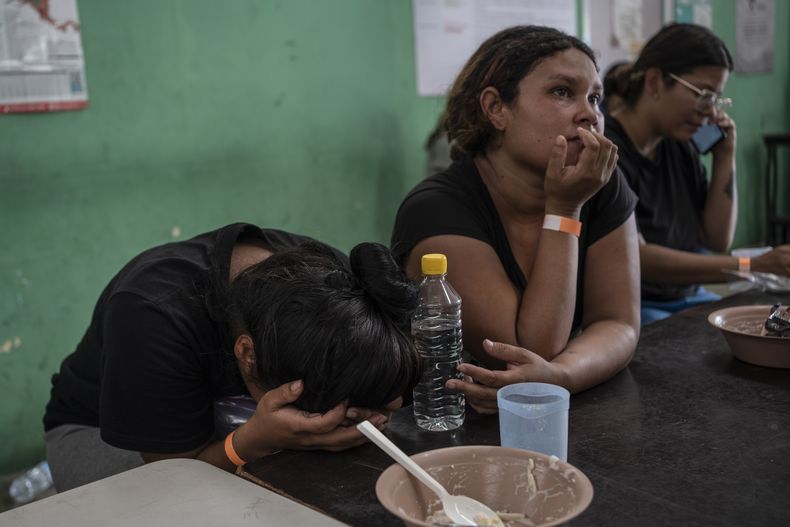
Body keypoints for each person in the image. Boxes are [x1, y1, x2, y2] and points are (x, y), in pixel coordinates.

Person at [43, 223, 420, 491]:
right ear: (247, 353)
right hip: (109, 436)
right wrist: (249, 442)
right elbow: (170, 474)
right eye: (317, 408)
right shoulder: (152, 315)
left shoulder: (332, 282)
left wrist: (380, 399)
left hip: (240, 418)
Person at [391, 26, 641, 413]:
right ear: (496, 109)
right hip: (449, 423)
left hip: (550, 411)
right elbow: (525, 353)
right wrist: (564, 212)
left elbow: (619, 324)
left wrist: (564, 377)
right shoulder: (436, 209)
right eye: (562, 92)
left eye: (595, 97)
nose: (590, 114)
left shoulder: (599, 184)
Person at [604, 23, 790, 323]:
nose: (709, 111)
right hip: (633, 306)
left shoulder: (679, 143)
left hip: (688, 296)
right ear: (654, 82)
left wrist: (724, 156)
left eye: (716, 99)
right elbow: (639, 258)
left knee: (758, 326)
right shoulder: (606, 149)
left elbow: (716, 238)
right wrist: (751, 264)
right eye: (703, 94)